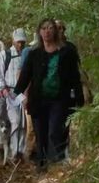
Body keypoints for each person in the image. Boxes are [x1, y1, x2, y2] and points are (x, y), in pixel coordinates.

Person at [14, 18, 84, 171]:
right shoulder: (34, 54)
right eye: (44, 28)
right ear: (39, 32)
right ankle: (41, 166)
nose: (47, 31)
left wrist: (79, 100)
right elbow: (23, 79)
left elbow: (75, 77)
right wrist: (21, 98)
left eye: (50, 28)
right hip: (38, 101)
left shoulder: (67, 52)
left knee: (55, 131)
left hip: (60, 100)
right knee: (40, 134)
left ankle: (56, 165)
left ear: (56, 31)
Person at [0, 28, 28, 161]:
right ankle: (14, 152)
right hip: (10, 92)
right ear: (13, 40)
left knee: (24, 124)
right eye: (18, 41)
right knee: (15, 121)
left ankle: (21, 151)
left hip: (25, 92)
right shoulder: (5, 55)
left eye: (22, 42)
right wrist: (3, 89)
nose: (20, 44)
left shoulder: (27, 54)